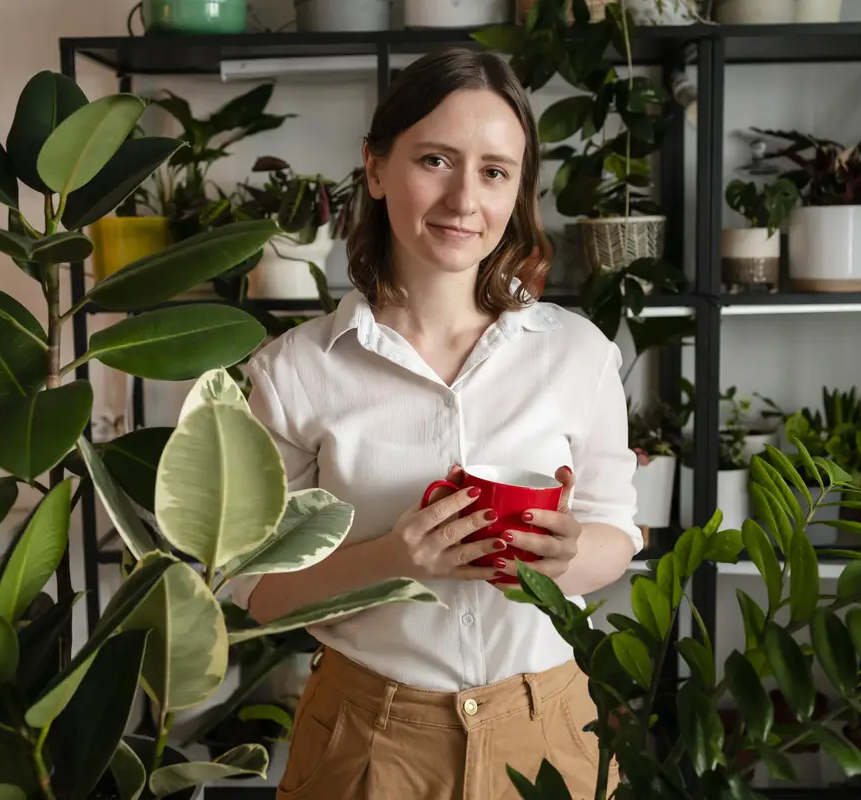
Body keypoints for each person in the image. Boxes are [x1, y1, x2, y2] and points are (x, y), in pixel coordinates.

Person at [233, 46, 641, 800]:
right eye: (435, 160)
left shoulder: (577, 353)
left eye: (494, 171)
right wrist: (394, 557)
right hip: (369, 736)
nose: (464, 200)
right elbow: (257, 591)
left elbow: (616, 534)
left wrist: (568, 557)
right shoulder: (294, 372)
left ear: (518, 190)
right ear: (377, 168)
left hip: (550, 728)